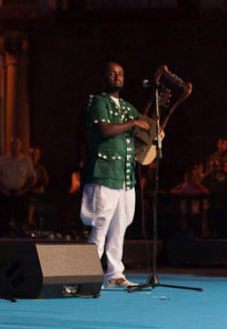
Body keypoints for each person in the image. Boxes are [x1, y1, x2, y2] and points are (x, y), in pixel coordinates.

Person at [80, 62, 149, 288]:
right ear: (104, 77)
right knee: (100, 224)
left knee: (120, 226)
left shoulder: (128, 106)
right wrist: (132, 123)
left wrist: (163, 108)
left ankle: (114, 274)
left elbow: (149, 129)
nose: (117, 77)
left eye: (120, 73)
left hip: (125, 176)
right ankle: (87, 275)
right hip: (105, 173)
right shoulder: (97, 102)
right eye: (112, 73)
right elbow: (104, 129)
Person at [0, 137, 35, 235]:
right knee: (4, 220)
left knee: (21, 221)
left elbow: (32, 178)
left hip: (21, 194)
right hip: (5, 194)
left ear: (20, 147)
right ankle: (3, 242)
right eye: (12, 145)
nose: (14, 147)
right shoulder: (2, 160)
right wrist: (2, 190)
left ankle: (22, 242)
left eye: (16, 145)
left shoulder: (26, 160)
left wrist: (24, 191)